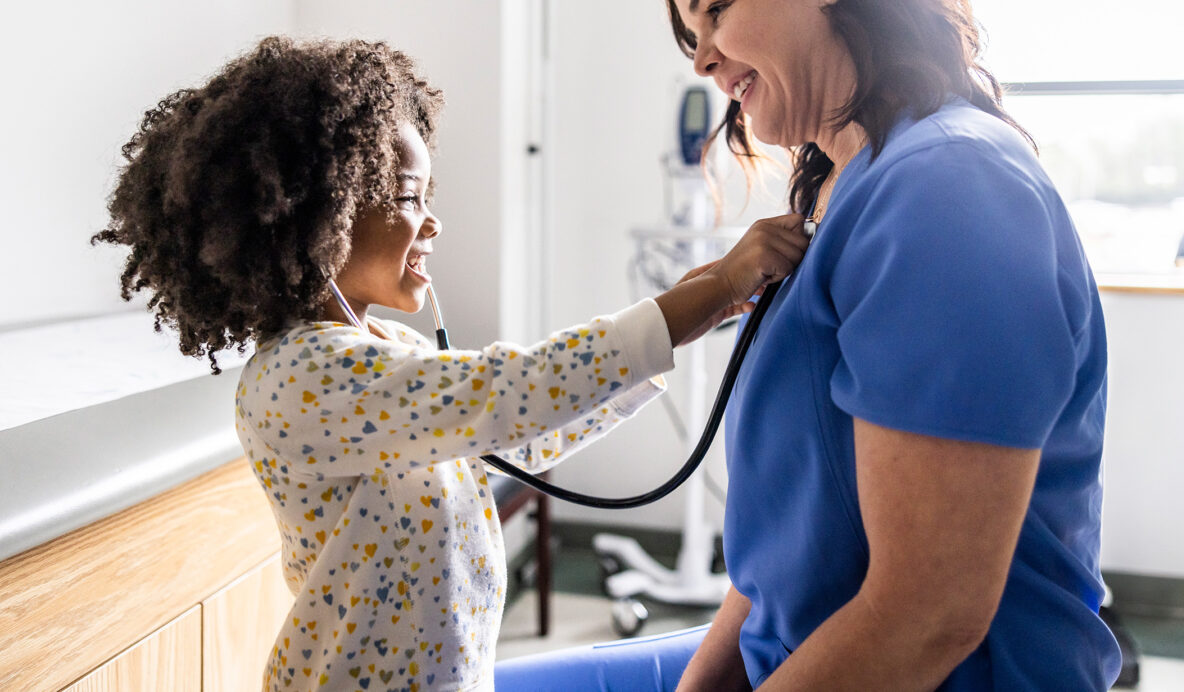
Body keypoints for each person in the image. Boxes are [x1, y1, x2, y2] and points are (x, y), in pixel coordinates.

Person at [496, 0, 1121, 690]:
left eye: (717, 8)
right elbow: (788, 561)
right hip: (787, 648)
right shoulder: (844, 191)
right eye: (690, 32)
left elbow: (926, 617)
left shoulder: (947, 189)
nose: (701, 58)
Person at [93, 36, 808, 692]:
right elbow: (511, 392)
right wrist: (711, 291)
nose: (431, 221)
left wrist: (694, 310)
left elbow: (515, 435)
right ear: (319, 216)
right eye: (408, 198)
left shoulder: (384, 353)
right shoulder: (301, 379)